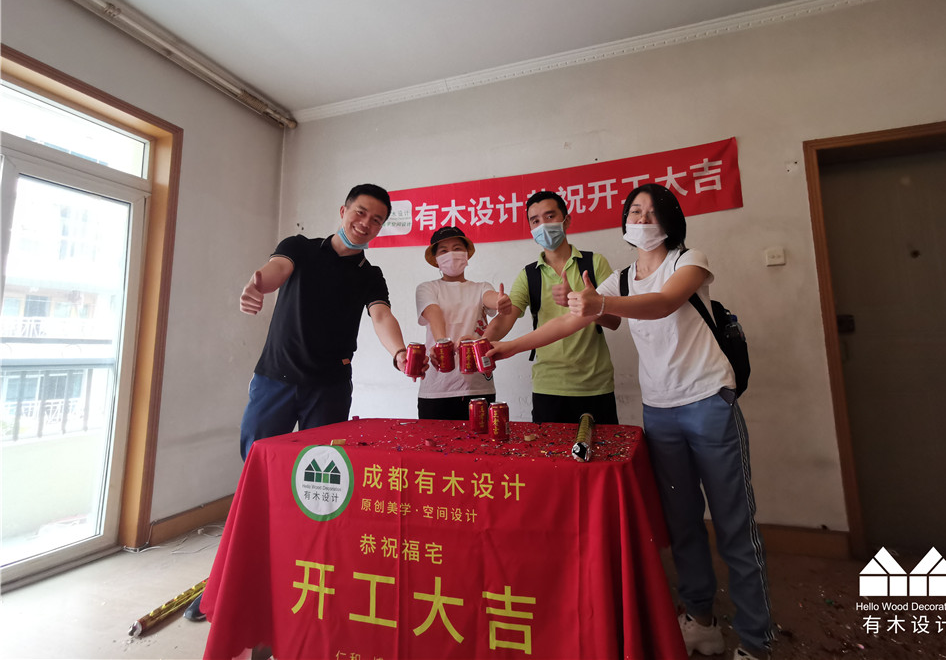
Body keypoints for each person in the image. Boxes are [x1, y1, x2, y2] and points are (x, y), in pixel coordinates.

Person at [488, 184, 773, 660]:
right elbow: (567, 322)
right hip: (659, 411)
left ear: (671, 220)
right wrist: (509, 347)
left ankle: (756, 640)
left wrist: (598, 304)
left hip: (709, 402)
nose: (641, 220)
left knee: (733, 525)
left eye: (652, 212)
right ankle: (701, 620)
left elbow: (663, 302)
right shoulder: (620, 279)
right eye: (634, 212)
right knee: (681, 523)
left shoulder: (688, 260)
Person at [186, 183, 423, 622]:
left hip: (329, 389)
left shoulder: (369, 275)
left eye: (376, 220)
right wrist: (257, 283)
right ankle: (228, 585)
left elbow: (381, 315)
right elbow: (276, 270)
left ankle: (306, 579)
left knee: (320, 490)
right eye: (360, 212)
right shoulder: (301, 247)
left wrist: (398, 353)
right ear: (343, 210)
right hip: (274, 382)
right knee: (257, 482)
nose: (366, 224)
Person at [482, 190, 621, 425]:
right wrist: (480, 344)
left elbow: (615, 321)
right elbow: (505, 320)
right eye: (535, 221)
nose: (543, 225)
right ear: (530, 229)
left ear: (566, 220)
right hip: (548, 386)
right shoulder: (529, 275)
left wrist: (584, 304)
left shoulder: (594, 263)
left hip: (595, 385)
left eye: (550, 216)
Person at [415, 226, 512, 419]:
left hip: (478, 387)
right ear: (436, 259)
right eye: (444, 250)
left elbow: (491, 297)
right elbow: (434, 312)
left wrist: (501, 301)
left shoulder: (481, 287)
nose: (451, 254)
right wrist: (443, 344)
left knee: (481, 438)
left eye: (457, 248)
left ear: (467, 254)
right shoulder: (427, 288)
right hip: (437, 389)